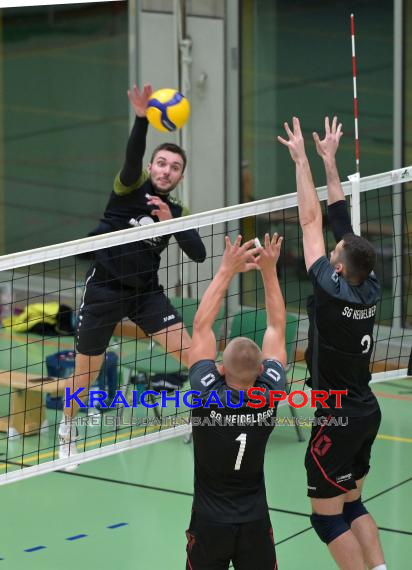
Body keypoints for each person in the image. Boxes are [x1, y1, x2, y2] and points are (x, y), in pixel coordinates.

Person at [59, 84, 206, 464]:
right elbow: (132, 156)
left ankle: (200, 419)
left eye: (175, 168)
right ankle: (67, 429)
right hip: (104, 291)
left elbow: (200, 254)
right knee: (86, 373)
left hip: (145, 295)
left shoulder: (176, 208)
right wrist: (141, 118)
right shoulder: (129, 187)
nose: (167, 171)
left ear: (180, 176)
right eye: (162, 164)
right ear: (151, 166)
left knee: (197, 356)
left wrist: (171, 221)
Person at [278, 116, 386, 570]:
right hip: (365, 411)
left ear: (337, 269)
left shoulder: (331, 289)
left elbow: (309, 220)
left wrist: (301, 159)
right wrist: (329, 161)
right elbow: (340, 222)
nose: (333, 250)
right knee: (352, 503)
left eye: (335, 254)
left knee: (327, 519)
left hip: (338, 415)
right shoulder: (370, 285)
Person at [186, 233, 287, 570]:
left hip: (210, 522)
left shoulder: (204, 391)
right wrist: (269, 271)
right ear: (261, 370)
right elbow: (276, 326)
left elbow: (201, 326)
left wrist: (226, 270)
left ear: (220, 368)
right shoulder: (270, 393)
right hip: (254, 521)